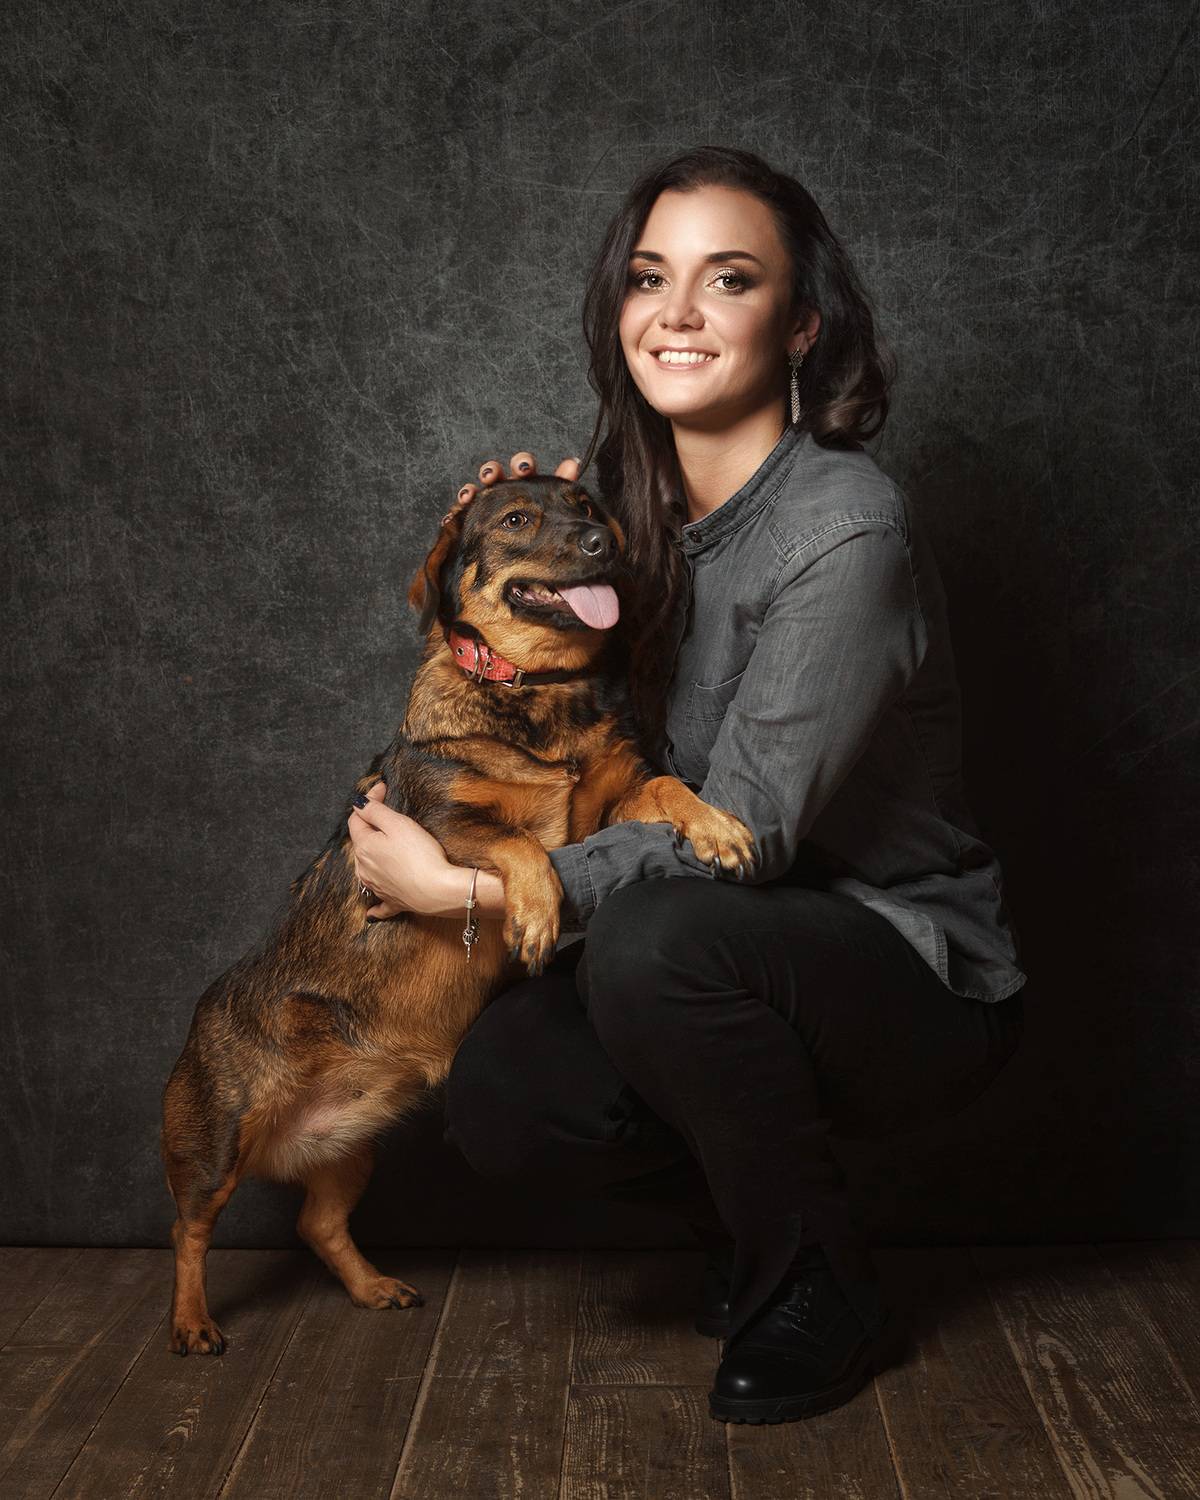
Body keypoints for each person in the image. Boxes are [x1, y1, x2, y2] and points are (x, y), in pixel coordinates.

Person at [346, 145, 1028, 1426]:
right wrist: (499, 573)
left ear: (802, 325)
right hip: (705, 960)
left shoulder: (844, 531)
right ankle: (765, 1212)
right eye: (650, 277)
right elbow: (539, 723)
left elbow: (746, 837)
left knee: (656, 938)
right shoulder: (617, 525)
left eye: (730, 279)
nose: (678, 312)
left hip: (906, 971)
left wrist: (474, 894)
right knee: (502, 1090)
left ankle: (817, 1283)